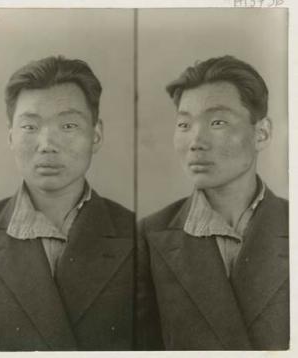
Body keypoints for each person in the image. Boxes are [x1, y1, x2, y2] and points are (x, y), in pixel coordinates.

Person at [0, 56, 135, 351]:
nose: (47, 144)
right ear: (10, 137)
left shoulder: (136, 233)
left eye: (68, 126)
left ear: (96, 135)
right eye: (30, 127)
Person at [135, 55, 288, 350]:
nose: (196, 140)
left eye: (217, 122)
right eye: (183, 124)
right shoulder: (150, 237)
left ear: (262, 133)